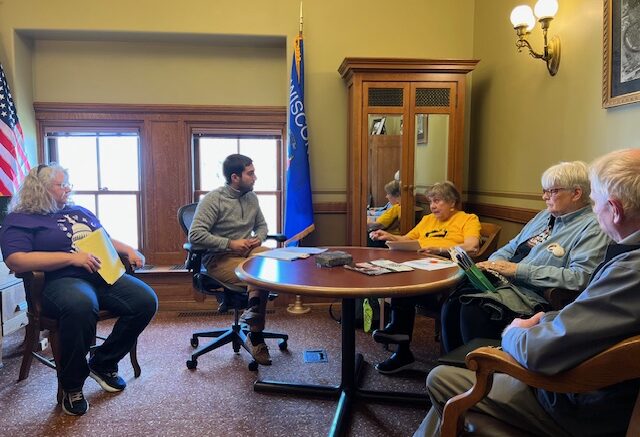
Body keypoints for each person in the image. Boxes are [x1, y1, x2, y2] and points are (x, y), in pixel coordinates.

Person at [414, 148, 640, 437]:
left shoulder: (628, 270)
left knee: (443, 379)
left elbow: (544, 347)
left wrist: (515, 331)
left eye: (596, 203)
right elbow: (588, 318)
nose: (595, 211)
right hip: (572, 371)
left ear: (615, 210)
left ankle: (473, 372)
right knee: (459, 298)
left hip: (572, 399)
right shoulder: (623, 258)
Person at [0, 163, 158, 416]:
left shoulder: (78, 210)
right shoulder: (21, 219)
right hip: (58, 281)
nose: (68, 188)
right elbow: (17, 259)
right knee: (82, 306)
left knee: (145, 300)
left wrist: (128, 249)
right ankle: (72, 384)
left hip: (100, 274)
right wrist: (70, 258)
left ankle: (103, 363)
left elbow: (102, 238)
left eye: (68, 183)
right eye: (61, 184)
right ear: (40, 189)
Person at [440, 161, 610, 353]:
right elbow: (512, 246)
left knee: (474, 308)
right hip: (505, 283)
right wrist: (494, 263)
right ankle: (454, 371)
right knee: (454, 300)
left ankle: (483, 373)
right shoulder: (543, 216)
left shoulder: (592, 226)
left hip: (533, 295)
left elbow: (580, 277)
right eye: (544, 190)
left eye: (551, 191)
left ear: (576, 193)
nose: (544, 196)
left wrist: (518, 270)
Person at [369, 181, 481, 373]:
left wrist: (440, 249)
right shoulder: (428, 219)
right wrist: (388, 235)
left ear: (452, 202)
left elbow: (472, 246)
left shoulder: (468, 219)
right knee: (402, 277)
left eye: (437, 201)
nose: (433, 206)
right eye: (431, 202)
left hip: (447, 274)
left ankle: (401, 345)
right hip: (420, 267)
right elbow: (408, 239)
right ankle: (401, 344)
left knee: (405, 285)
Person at [188, 153, 273, 366]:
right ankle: (256, 334)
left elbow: (262, 226)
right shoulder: (213, 199)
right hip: (219, 258)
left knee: (271, 259)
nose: (255, 177)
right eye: (250, 173)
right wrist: (230, 243)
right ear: (235, 177)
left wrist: (257, 239)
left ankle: (252, 310)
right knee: (259, 274)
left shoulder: (252, 197)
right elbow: (195, 235)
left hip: (246, 252)